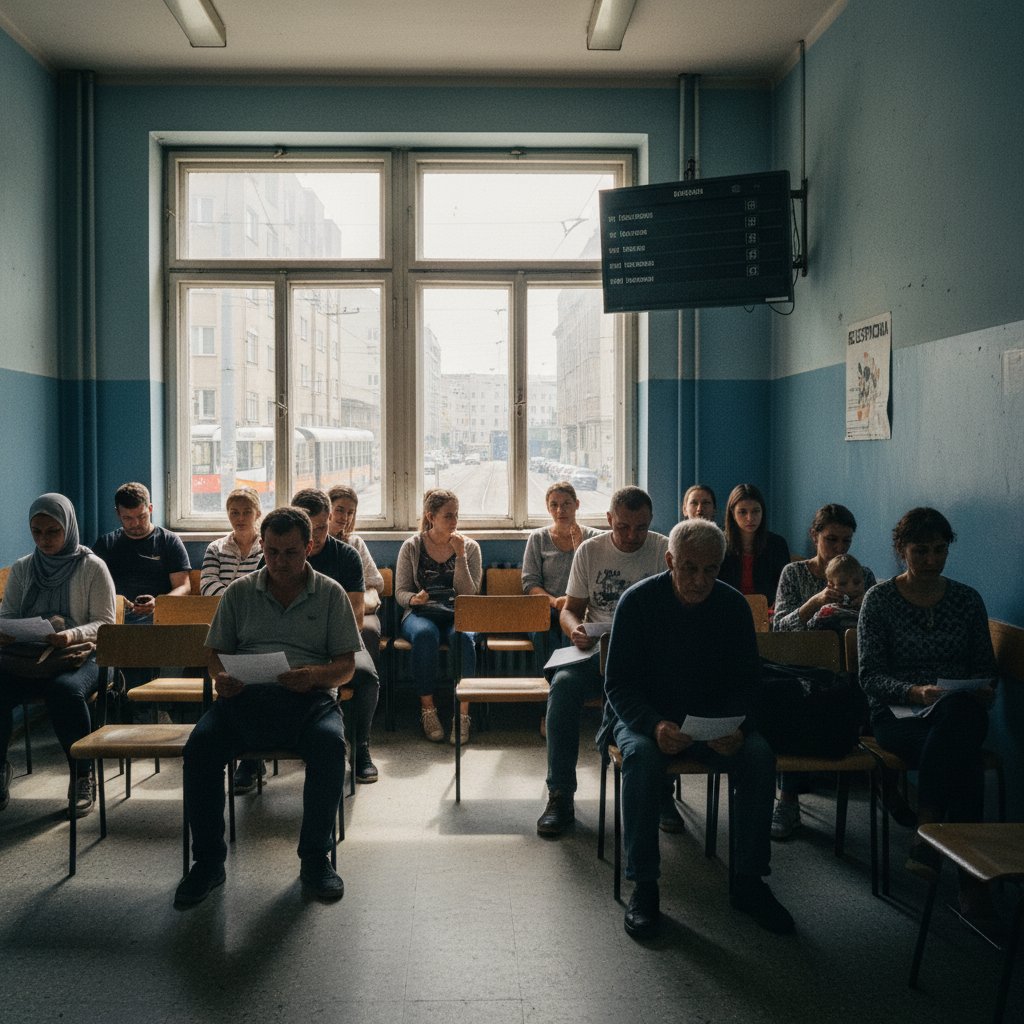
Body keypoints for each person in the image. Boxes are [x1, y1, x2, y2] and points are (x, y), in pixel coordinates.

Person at [603, 519, 794, 938]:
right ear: (670, 561)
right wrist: (654, 724)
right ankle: (644, 884)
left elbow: (749, 683)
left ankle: (749, 880)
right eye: (689, 568)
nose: (699, 580)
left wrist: (738, 727)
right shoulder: (638, 602)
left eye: (710, 570)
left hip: (712, 721)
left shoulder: (732, 606)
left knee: (758, 755)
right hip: (645, 718)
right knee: (641, 758)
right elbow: (618, 684)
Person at [175, 506, 360, 907]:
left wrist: (314, 676)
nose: (279, 561)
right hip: (246, 697)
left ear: (308, 547)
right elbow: (215, 655)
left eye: (290, 552)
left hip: (309, 699)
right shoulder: (239, 593)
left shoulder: (330, 594)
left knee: (330, 747)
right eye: (272, 551)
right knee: (200, 748)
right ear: (262, 545)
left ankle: (316, 858)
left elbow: (346, 667)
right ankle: (208, 862)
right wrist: (221, 677)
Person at [858, 507, 999, 928]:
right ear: (902, 550)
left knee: (956, 713)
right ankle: (972, 882)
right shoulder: (879, 600)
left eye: (940, 550)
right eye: (921, 551)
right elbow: (869, 675)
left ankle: (928, 832)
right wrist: (914, 692)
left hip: (956, 710)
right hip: (899, 714)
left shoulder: (966, 599)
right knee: (964, 758)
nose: (932, 560)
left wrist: (983, 688)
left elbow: (985, 665)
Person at [536, 486, 670, 837]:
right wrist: (575, 630)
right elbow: (570, 610)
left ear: (650, 521)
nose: (632, 536)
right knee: (563, 686)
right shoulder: (590, 551)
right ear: (610, 519)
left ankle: (661, 789)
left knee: (669, 687)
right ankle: (560, 794)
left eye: (641, 528)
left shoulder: (663, 549)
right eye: (623, 527)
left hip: (648, 658)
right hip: (598, 652)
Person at [769, 503, 882, 839]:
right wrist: (815, 602)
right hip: (804, 671)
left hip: (850, 672)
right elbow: (779, 629)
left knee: (873, 691)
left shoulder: (862, 575)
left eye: (846, 541)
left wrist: (864, 607)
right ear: (814, 536)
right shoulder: (795, 573)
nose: (839, 548)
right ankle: (788, 800)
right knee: (791, 701)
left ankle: (885, 787)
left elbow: (878, 631)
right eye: (832, 539)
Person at [0, 494, 116, 817]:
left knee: (64, 691)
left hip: (84, 654)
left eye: (53, 531)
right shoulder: (24, 568)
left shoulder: (92, 567)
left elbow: (106, 624)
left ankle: (82, 775)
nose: (44, 540)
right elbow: (7, 614)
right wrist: (7, 631)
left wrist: (70, 635)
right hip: (31, 657)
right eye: (36, 532)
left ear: (69, 527)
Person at [396, 489, 481, 745]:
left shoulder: (470, 547)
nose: (454, 521)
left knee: (462, 637)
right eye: (448, 516)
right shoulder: (412, 546)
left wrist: (460, 555)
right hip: (421, 613)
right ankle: (428, 709)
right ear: (431, 517)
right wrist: (413, 599)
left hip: (459, 612)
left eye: (456, 515)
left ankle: (463, 714)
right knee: (425, 635)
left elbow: (469, 594)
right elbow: (400, 591)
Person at [91, 481, 191, 622]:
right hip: (116, 618)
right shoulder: (106, 544)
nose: (135, 523)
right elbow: (92, 589)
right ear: (118, 513)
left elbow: (184, 586)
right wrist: (116, 602)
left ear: (150, 509)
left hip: (159, 618)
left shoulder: (169, 540)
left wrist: (159, 603)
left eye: (141, 516)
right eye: (128, 518)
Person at [521, 480, 601, 638]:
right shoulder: (538, 538)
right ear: (548, 508)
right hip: (549, 607)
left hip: (583, 607)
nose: (560, 510)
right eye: (554, 505)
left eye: (566, 504)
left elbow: (597, 579)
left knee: (577, 629)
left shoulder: (594, 538)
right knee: (541, 632)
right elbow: (530, 583)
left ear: (577, 504)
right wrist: (555, 602)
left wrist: (579, 548)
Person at [328, 484, 385, 671]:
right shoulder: (314, 544)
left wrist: (357, 595)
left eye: (350, 512)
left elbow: (377, 582)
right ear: (327, 510)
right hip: (327, 610)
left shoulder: (355, 543)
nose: (345, 517)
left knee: (368, 630)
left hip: (357, 609)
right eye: (339, 510)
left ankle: (364, 676)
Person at [718, 483, 789, 602]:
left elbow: (785, 588)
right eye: (742, 512)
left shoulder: (777, 544)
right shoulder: (719, 544)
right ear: (732, 514)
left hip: (768, 609)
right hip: (729, 607)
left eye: (756, 511)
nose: (750, 518)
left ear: (762, 512)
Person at [199, 487, 264, 595]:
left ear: (257, 514)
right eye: (235, 513)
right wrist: (231, 601)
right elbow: (207, 583)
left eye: (247, 512)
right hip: (221, 604)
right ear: (228, 514)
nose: (241, 518)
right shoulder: (216, 548)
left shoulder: (266, 548)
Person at [806, 554, 866, 634]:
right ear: (831, 585)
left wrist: (866, 604)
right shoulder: (829, 610)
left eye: (857, 582)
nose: (851, 588)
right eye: (842, 584)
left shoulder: (868, 606)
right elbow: (811, 628)